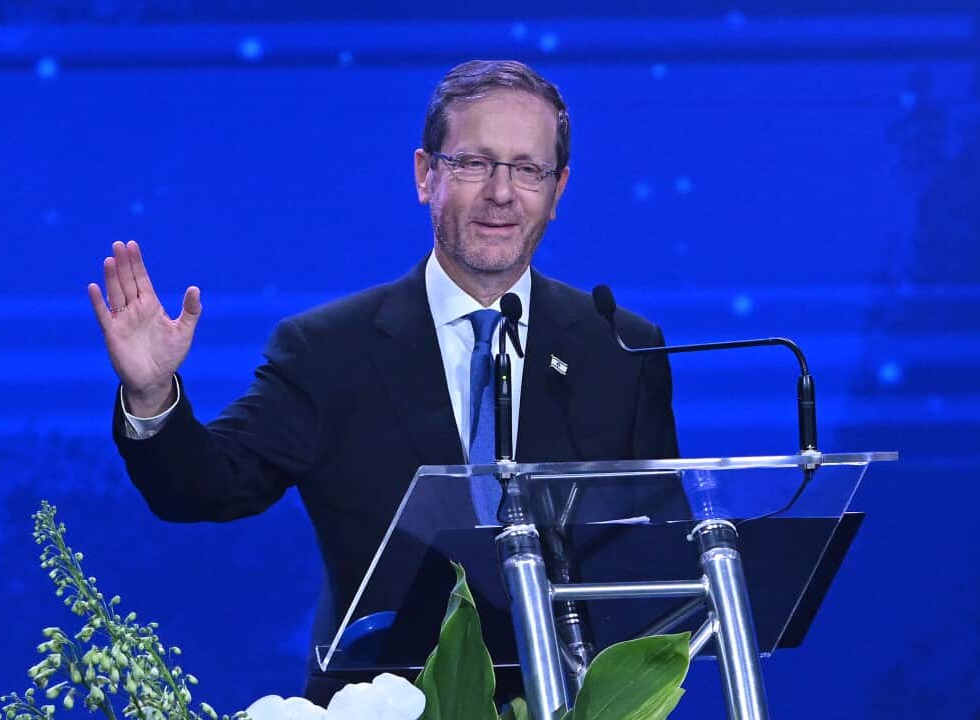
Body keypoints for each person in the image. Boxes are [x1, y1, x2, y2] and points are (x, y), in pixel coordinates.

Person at [88, 59, 678, 702]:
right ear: (426, 174)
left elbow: (660, 555)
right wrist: (152, 395)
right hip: (384, 702)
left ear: (558, 190)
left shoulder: (617, 346)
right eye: (474, 163)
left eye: (527, 169)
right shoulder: (328, 349)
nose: (501, 193)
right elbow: (206, 487)